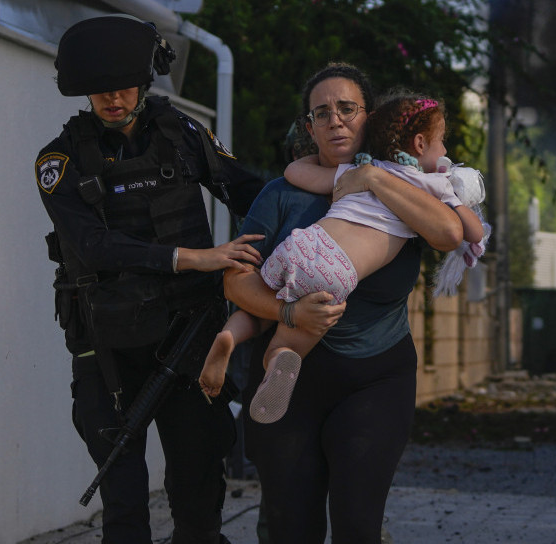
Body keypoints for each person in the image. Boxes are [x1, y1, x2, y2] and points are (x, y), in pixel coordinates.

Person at [35, 15, 266, 544]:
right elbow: (94, 245)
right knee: (124, 494)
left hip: (189, 339)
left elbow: (250, 193)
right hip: (107, 349)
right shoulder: (58, 160)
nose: (114, 97)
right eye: (101, 87)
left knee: (197, 491)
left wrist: (327, 210)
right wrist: (196, 258)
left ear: (145, 80)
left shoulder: (183, 135)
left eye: (126, 84)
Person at [224, 64, 464, 544]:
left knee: (358, 526)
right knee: (289, 542)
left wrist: (374, 180)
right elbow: (236, 281)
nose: (334, 121)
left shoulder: (406, 186)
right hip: (293, 375)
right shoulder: (281, 196)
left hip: (376, 377)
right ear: (309, 126)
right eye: (321, 113)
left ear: (371, 117)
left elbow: (451, 233)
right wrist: (286, 312)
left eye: (347, 109)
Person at [198, 94, 487, 423]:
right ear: (420, 144)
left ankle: (229, 336)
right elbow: (472, 233)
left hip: (304, 244)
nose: (446, 152)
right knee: (292, 338)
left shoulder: (361, 170)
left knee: (261, 304)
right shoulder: (432, 187)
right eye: (442, 143)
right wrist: (460, 199)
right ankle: (280, 357)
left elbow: (296, 172)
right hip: (337, 272)